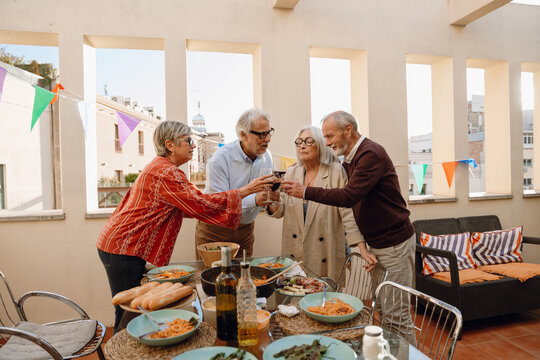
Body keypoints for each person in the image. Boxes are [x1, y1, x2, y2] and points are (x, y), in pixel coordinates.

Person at [96, 120, 272, 333]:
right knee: (129, 312)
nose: (193, 145)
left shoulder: (163, 168)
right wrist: (245, 191)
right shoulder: (166, 172)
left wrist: (226, 204)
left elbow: (193, 205)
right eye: (188, 141)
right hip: (124, 246)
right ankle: (121, 351)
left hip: (122, 245)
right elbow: (201, 203)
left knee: (134, 308)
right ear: (170, 145)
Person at [281, 111, 416, 344]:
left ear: (348, 130)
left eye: (329, 135)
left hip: (393, 244)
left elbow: (349, 196)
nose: (327, 142)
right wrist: (363, 247)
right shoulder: (351, 159)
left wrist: (305, 191)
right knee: (384, 311)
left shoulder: (370, 154)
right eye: (324, 137)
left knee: (397, 316)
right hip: (378, 244)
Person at [266, 126, 363, 281]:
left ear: (321, 144)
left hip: (325, 250)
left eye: (308, 141)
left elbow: (347, 213)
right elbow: (280, 210)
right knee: (293, 297)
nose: (302, 145)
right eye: (299, 142)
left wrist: (359, 247)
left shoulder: (336, 171)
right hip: (295, 251)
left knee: (323, 299)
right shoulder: (291, 172)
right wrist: (273, 200)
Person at [195, 108, 274, 257]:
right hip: (216, 230)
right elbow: (220, 203)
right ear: (243, 135)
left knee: (245, 276)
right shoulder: (220, 159)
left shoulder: (266, 155)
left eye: (269, 132)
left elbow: (268, 193)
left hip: (245, 230)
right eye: (262, 134)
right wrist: (255, 199)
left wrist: (274, 200)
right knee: (212, 277)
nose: (268, 139)